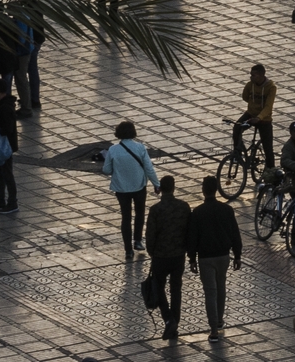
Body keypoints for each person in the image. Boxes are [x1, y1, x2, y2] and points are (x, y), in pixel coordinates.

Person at [186, 174, 244, 334]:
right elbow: (235, 234)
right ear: (217, 190)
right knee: (221, 287)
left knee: (210, 291)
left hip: (205, 258)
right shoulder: (227, 210)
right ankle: (219, 320)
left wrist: (191, 258)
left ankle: (213, 329)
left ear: (203, 191)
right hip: (223, 256)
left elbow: (193, 237)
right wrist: (237, 255)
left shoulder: (197, 213)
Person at [140, 174, 192, 341]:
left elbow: (150, 234)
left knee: (158, 287)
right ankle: (174, 323)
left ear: (160, 189)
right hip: (178, 255)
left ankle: (168, 319)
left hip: (160, 256)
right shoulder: (184, 207)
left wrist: (151, 251)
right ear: (174, 187)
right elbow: (188, 230)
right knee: (176, 289)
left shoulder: (156, 210)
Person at [101, 120, 155, 256]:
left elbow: (106, 170)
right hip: (139, 186)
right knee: (140, 213)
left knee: (126, 217)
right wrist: (156, 184)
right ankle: (137, 240)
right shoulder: (140, 148)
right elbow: (149, 168)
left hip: (121, 188)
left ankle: (128, 250)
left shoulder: (113, 150)